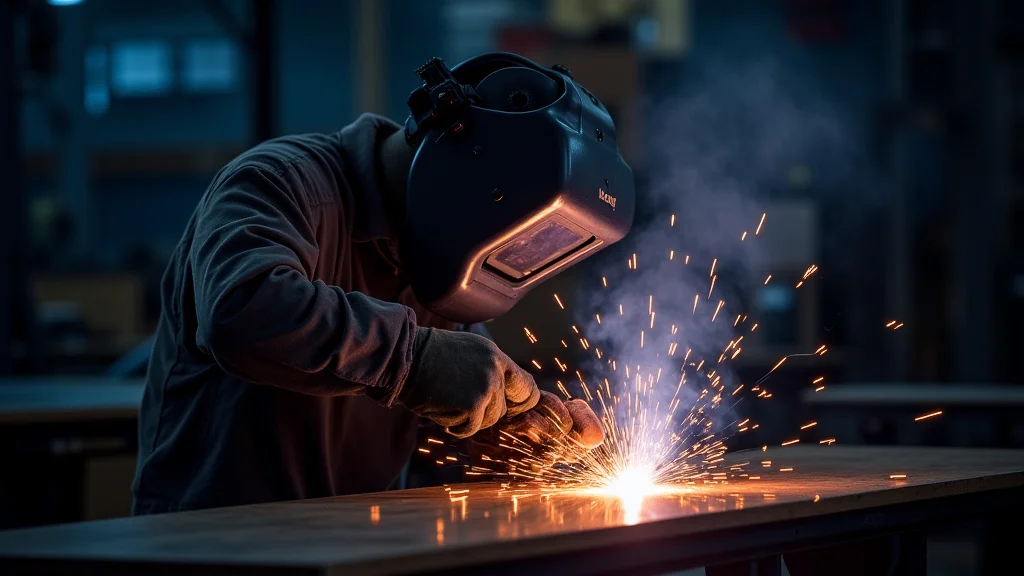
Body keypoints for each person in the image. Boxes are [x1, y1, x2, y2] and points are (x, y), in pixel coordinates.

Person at [132, 53, 635, 514]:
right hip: (207, 545)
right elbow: (242, 309)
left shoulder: (443, 266)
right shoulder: (280, 182)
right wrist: (414, 361)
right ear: (464, 159)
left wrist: (506, 430)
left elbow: (439, 422)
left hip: (350, 547)